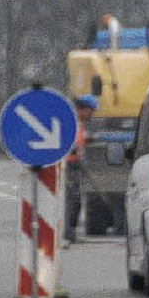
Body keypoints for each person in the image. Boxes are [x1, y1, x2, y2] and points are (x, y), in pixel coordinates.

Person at [64, 94, 98, 245]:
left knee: (75, 201)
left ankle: (70, 233)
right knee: (73, 201)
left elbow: (80, 140)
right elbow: (68, 144)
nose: (92, 114)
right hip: (69, 167)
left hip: (75, 166)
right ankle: (69, 233)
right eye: (91, 110)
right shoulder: (72, 123)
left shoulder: (80, 124)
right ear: (83, 109)